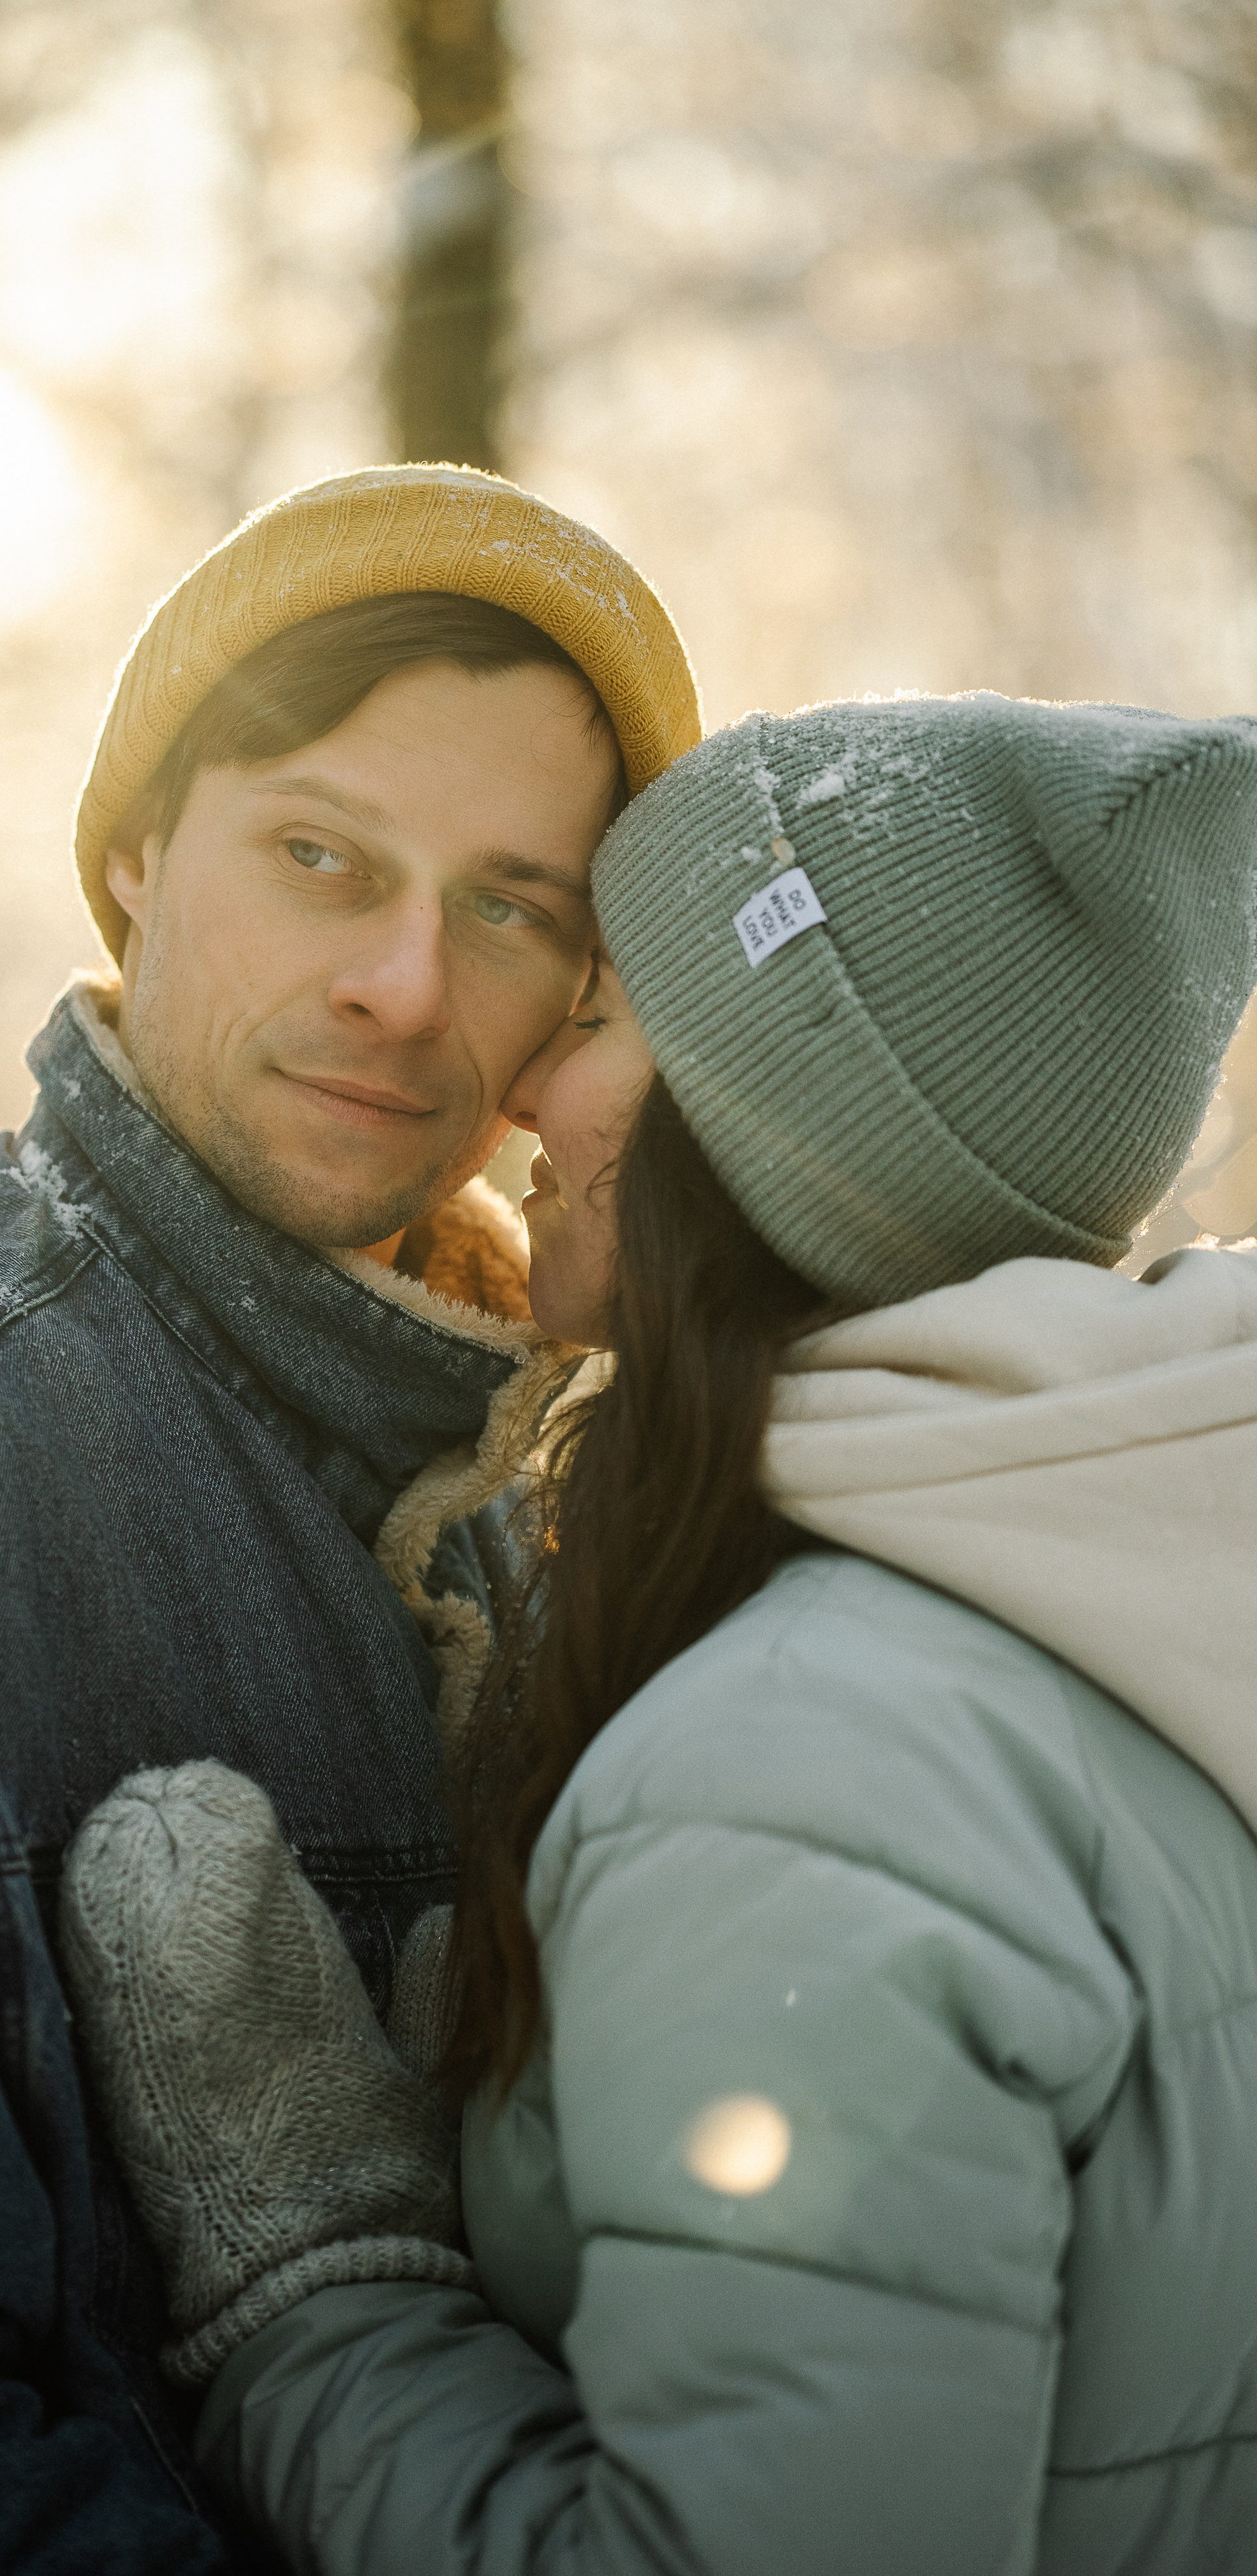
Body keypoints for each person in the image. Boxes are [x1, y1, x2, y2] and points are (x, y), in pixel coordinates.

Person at [0, 467, 699, 2572]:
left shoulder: (572, 1482)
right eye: (321, 855)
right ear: (139, 858)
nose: (408, 986)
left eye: (513, 906)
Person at [60, 689, 1257, 2575]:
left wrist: (320, 2270)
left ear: (766, 1139)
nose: (525, 1082)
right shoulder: (1120, 1607)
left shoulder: (805, 1777)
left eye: (606, 1017)